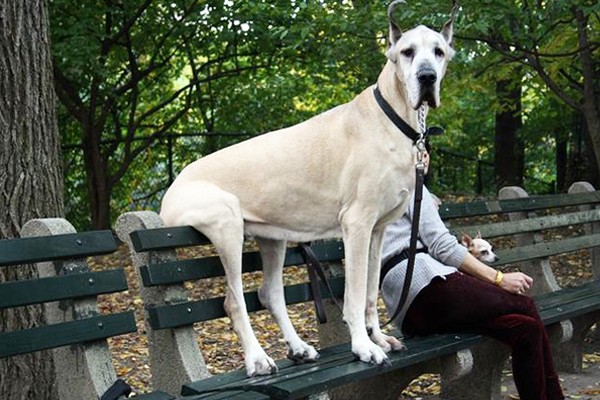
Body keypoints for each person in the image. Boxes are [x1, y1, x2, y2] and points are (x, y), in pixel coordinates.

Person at [380, 147, 565, 400]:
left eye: (425, 151)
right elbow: (442, 246)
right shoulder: (408, 181)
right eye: (416, 149)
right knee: (526, 304)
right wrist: (499, 278)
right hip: (426, 287)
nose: (422, 157)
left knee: (526, 329)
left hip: (412, 311)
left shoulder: (382, 183)